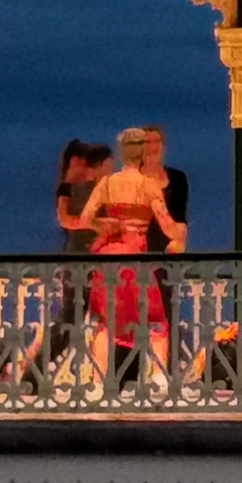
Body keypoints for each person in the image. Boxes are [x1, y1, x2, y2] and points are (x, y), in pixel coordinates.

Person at [82, 125, 185, 375]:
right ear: (141, 155)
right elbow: (167, 226)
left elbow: (86, 219)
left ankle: (98, 381)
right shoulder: (148, 186)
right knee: (156, 322)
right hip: (134, 260)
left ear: (121, 153)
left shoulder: (107, 184)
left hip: (107, 259)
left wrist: (106, 225)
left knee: (106, 324)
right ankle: (160, 379)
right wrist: (179, 234)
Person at [138, 127, 190, 254]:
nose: (153, 147)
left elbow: (180, 216)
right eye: (148, 142)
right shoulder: (130, 178)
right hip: (137, 245)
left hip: (168, 244)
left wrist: (178, 242)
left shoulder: (177, 178)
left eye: (157, 141)